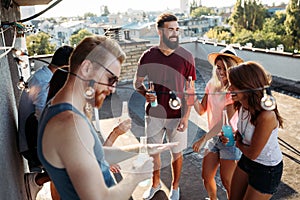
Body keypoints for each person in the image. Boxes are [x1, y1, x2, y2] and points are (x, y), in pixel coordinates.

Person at [37, 35, 176, 200]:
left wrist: (141, 151)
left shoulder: (57, 109)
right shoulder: (69, 124)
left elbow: (94, 153)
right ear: (87, 68)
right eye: (111, 79)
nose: (113, 89)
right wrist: (136, 177)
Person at [134, 13, 196, 200]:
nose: (175, 33)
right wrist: (145, 93)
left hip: (177, 115)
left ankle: (175, 188)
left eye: (177, 29)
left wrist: (185, 118)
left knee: (176, 154)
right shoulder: (148, 56)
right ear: (160, 31)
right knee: (154, 153)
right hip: (153, 114)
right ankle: (155, 185)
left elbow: (190, 91)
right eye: (171, 29)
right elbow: (137, 83)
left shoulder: (186, 57)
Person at [17, 45, 74, 200]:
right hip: (30, 145)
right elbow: (42, 116)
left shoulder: (42, 75)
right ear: (66, 67)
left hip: (32, 139)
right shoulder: (45, 82)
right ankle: (36, 181)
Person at [227, 61, 283, 200]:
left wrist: (237, 143)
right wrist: (234, 136)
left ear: (247, 85)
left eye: (233, 84)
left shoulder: (266, 116)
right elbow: (243, 134)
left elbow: (253, 153)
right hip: (246, 160)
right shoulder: (241, 105)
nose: (229, 88)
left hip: (267, 169)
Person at [192, 47, 243, 200]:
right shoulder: (211, 85)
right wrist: (192, 94)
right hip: (213, 138)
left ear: (232, 70)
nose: (221, 72)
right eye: (218, 68)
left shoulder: (233, 91)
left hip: (229, 139)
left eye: (225, 69)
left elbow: (223, 122)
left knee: (228, 182)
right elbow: (201, 110)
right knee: (206, 177)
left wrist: (203, 139)